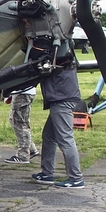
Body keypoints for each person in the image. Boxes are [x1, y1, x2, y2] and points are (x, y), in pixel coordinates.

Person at [32, 58, 84, 188]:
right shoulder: (64, 53)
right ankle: (47, 173)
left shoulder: (57, 55)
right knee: (49, 136)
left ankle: (76, 178)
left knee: (65, 139)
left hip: (61, 99)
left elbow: (45, 70)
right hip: (63, 97)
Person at [4, 85, 39, 164]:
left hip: (22, 91)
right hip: (23, 91)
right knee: (19, 121)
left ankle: (23, 155)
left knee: (19, 122)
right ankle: (30, 149)